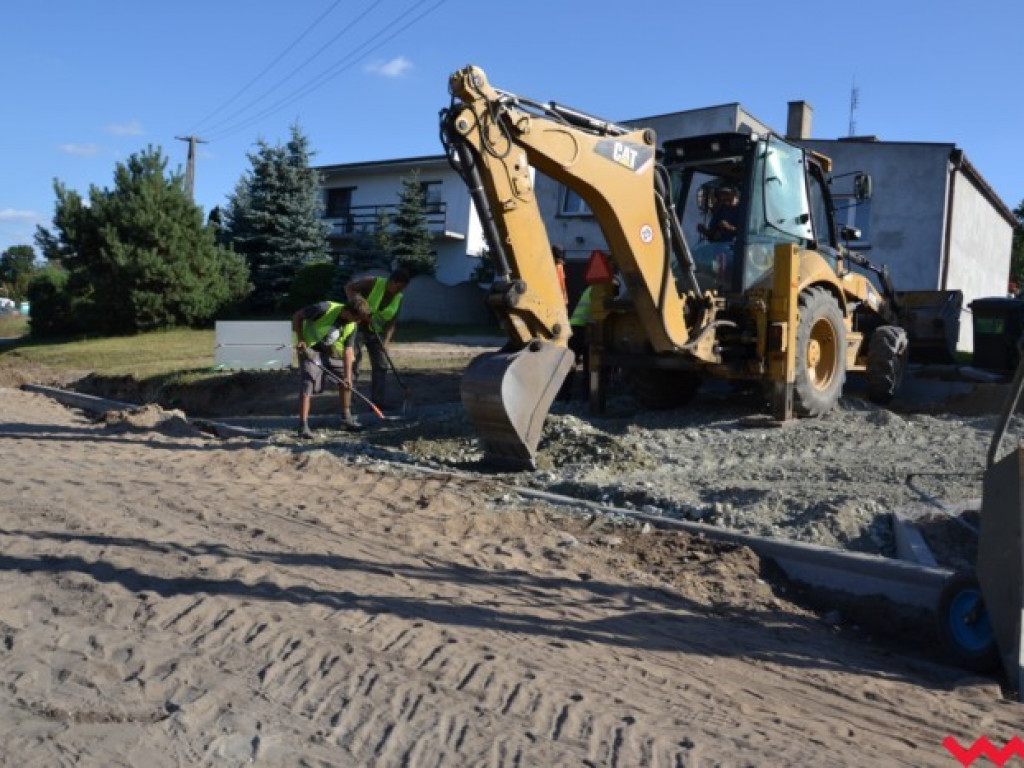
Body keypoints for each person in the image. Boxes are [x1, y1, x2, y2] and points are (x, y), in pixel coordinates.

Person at [293, 295, 372, 439]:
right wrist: (301, 339)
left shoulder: (352, 325)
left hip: (330, 351)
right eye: (356, 318)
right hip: (310, 349)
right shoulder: (324, 308)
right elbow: (298, 316)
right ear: (348, 312)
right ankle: (303, 426)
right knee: (308, 382)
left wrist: (348, 377)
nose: (358, 322)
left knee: (346, 379)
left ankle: (346, 419)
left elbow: (348, 351)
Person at [345, 268, 410, 409]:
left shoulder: (398, 297)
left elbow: (392, 322)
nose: (400, 291)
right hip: (358, 328)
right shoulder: (373, 282)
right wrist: (358, 307)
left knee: (381, 365)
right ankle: (350, 402)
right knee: (354, 364)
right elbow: (349, 288)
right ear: (392, 282)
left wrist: (386, 342)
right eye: (399, 287)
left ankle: (378, 402)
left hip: (376, 333)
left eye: (403, 289)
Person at [557, 285, 593, 402]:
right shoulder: (603, 289)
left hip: (574, 327)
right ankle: (587, 396)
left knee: (570, 364)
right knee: (590, 366)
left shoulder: (590, 288)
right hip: (587, 329)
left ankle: (563, 395)